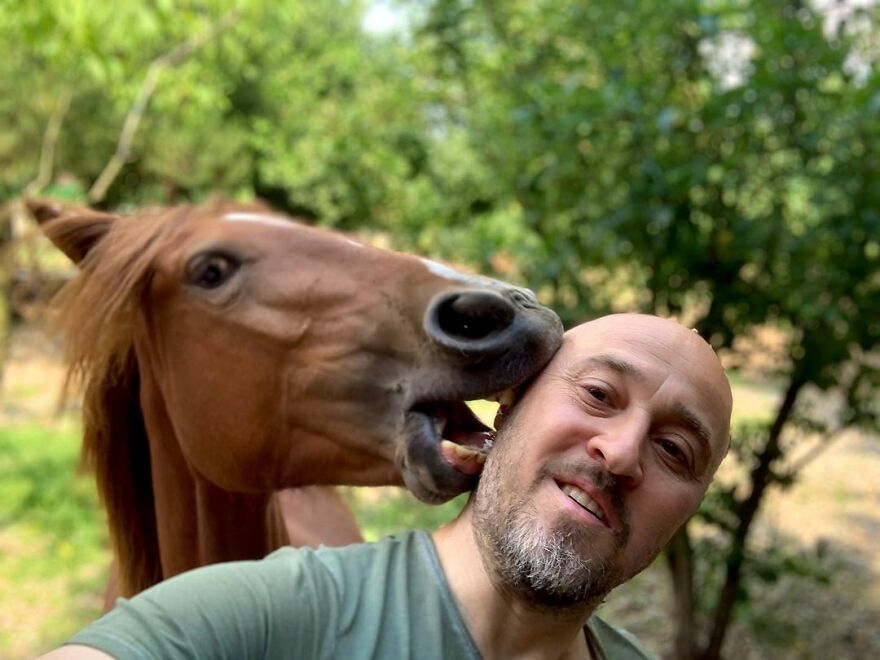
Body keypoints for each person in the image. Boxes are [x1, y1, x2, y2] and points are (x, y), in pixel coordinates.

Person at [41, 313, 732, 660]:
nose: (619, 452)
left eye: (674, 449)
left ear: (685, 511)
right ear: (507, 408)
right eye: (598, 394)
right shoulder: (283, 618)